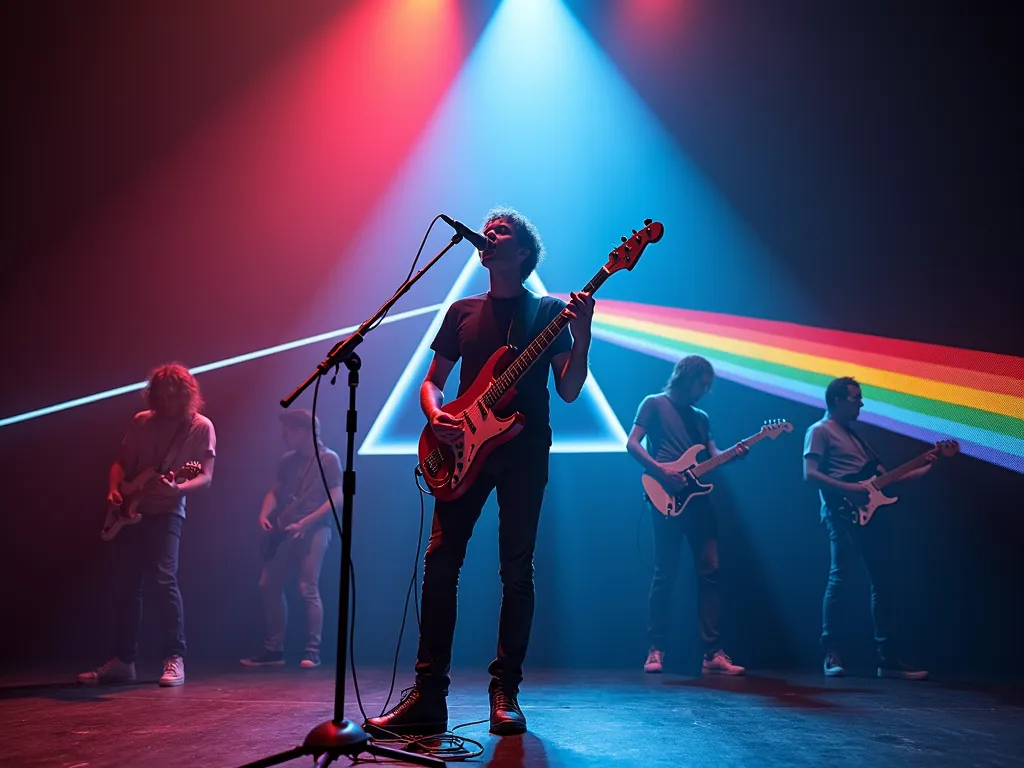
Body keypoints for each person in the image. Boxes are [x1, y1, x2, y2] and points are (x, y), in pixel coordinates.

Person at [364, 207, 594, 737]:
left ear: (523, 254)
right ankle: (428, 694)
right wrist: (435, 415)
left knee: (516, 569)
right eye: (488, 232)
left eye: (502, 233)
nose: (488, 236)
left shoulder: (550, 313)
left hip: (523, 448)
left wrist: (582, 335)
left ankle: (505, 690)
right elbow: (433, 380)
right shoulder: (462, 311)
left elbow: (569, 388)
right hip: (461, 447)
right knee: (441, 563)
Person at [78, 363, 216, 687]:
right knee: (127, 586)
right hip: (131, 512)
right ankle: (124, 660)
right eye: (159, 398)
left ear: (185, 396)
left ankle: (174, 656)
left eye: (171, 398)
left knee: (164, 579)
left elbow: (207, 477)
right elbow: (121, 464)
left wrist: (178, 488)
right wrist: (114, 490)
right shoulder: (141, 422)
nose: (165, 404)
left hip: (168, 510)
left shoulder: (200, 427)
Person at [803, 376, 932, 679]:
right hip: (842, 514)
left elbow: (889, 479)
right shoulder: (819, 431)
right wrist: (847, 488)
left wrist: (931, 462)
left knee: (884, 583)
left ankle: (887, 658)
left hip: (871, 515)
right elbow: (810, 475)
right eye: (855, 398)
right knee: (841, 579)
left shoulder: (857, 437)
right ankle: (831, 652)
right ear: (837, 400)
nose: (861, 403)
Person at [626, 355, 747, 676]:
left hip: (699, 502)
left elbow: (713, 454)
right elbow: (632, 444)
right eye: (702, 383)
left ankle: (712, 653)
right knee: (664, 573)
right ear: (686, 377)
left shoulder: (701, 418)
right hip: (664, 497)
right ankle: (656, 649)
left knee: (711, 571)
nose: (705, 391)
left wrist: (734, 454)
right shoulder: (653, 404)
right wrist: (662, 471)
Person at [240, 409, 342, 670]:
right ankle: (274, 649)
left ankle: (313, 649)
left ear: (303, 431)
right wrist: (264, 513)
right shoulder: (288, 460)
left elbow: (337, 497)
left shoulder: (328, 459)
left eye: (288, 430)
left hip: (316, 529)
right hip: (286, 529)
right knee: (268, 584)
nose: (284, 435)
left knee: (308, 588)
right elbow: (274, 491)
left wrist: (306, 522)